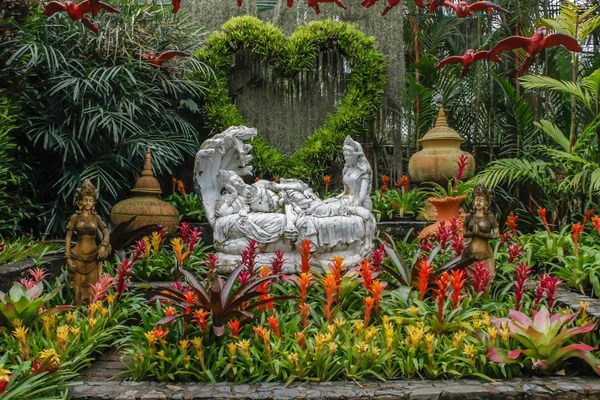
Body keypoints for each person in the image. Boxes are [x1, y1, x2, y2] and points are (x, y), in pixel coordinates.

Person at [64, 180, 111, 305]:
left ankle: (92, 319)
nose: (88, 203)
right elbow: (68, 237)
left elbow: (106, 232)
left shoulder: (97, 218)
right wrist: (67, 258)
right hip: (77, 258)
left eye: (91, 200)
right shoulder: (75, 218)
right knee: (77, 292)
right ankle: (75, 319)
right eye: (85, 200)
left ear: (94, 202)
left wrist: (103, 245)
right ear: (80, 201)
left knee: (92, 291)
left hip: (93, 259)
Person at [463, 182, 499, 274]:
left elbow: (496, 235)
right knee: (470, 284)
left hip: (485, 255)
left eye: (481, 200)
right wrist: (472, 233)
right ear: (473, 201)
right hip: (470, 256)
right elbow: (464, 233)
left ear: (486, 202)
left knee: (485, 283)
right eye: (476, 200)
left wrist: (481, 234)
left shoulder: (490, 217)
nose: (478, 202)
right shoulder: (469, 217)